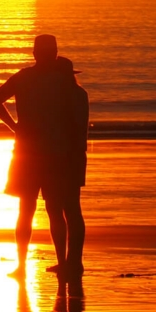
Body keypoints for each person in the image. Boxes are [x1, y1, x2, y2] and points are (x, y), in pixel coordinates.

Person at [0, 34, 78, 280]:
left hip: (28, 149)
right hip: (54, 151)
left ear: (34, 53)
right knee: (54, 208)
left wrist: (15, 126)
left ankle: (22, 264)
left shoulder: (24, 77)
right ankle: (60, 261)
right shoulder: (61, 80)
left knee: (26, 209)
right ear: (55, 52)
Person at [45, 56, 89, 281]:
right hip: (75, 156)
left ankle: (66, 261)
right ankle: (73, 261)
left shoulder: (54, 97)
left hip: (56, 156)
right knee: (72, 208)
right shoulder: (80, 95)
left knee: (56, 209)